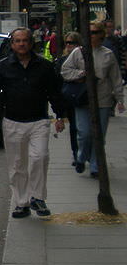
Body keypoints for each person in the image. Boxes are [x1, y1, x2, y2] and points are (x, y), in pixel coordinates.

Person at [0, 27, 65, 218]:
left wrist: (60, 116)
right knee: (17, 164)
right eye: (18, 41)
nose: (22, 44)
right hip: (12, 121)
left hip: (38, 120)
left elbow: (53, 92)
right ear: (12, 44)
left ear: (31, 43)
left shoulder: (44, 66)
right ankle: (22, 202)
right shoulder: (2, 66)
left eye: (25, 40)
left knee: (40, 157)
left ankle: (38, 197)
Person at [60, 20, 123, 179]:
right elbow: (65, 71)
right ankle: (81, 156)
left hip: (103, 99)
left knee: (99, 135)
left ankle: (95, 164)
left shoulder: (108, 54)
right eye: (89, 32)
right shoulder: (78, 52)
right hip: (83, 98)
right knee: (84, 133)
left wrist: (120, 99)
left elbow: (115, 78)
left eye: (95, 32)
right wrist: (81, 75)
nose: (91, 36)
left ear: (101, 34)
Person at [55, 31, 83, 169]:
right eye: (67, 42)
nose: (69, 45)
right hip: (70, 97)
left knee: (83, 129)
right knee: (74, 127)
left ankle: (84, 152)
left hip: (84, 97)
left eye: (72, 42)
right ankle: (76, 152)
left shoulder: (84, 58)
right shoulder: (62, 60)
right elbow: (58, 81)